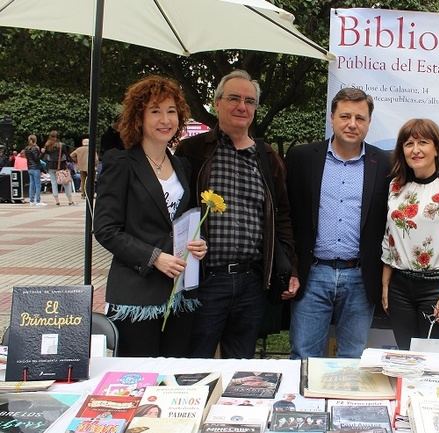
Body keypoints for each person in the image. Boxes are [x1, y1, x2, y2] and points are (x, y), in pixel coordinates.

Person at [175, 70, 298, 359]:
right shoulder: (193, 150)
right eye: (233, 98)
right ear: (217, 103)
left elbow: (281, 217)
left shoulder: (267, 157)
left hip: (251, 282)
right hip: (206, 280)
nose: (242, 106)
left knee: (240, 366)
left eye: (249, 101)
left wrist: (291, 267)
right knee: (195, 362)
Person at [94, 75, 207, 357]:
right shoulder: (120, 162)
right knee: (138, 380)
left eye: (171, 111)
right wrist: (154, 257)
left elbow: (180, 222)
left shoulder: (181, 165)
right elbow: (106, 229)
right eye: (155, 111)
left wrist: (198, 243)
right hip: (137, 294)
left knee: (173, 379)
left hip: (179, 294)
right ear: (139, 117)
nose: (165, 119)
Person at [286, 87, 391, 359]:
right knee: (304, 355)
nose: (352, 124)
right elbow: (288, 215)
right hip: (313, 274)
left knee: (353, 358)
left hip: (360, 276)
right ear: (332, 117)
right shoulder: (302, 158)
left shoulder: (385, 164)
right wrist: (292, 268)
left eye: (360, 118)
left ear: (369, 123)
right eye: (345, 116)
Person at [380, 119, 439, 350]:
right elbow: (389, 240)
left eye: (423, 142)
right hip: (399, 287)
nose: (416, 149)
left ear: (437, 148)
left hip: (437, 287)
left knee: (434, 362)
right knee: (406, 357)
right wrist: (385, 286)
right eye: (409, 143)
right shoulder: (396, 186)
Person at [42, 130, 75, 206]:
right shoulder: (61, 145)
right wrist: (73, 161)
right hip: (61, 166)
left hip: (50, 166)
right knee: (66, 182)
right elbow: (67, 156)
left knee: (53, 183)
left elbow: (44, 156)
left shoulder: (47, 145)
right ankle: (70, 200)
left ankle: (57, 201)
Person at [24, 135, 44, 206]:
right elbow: (37, 158)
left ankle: (31, 201)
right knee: (38, 185)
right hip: (35, 168)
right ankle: (38, 201)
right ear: (35, 140)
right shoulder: (35, 148)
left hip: (29, 168)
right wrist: (42, 153)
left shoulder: (26, 148)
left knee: (32, 184)